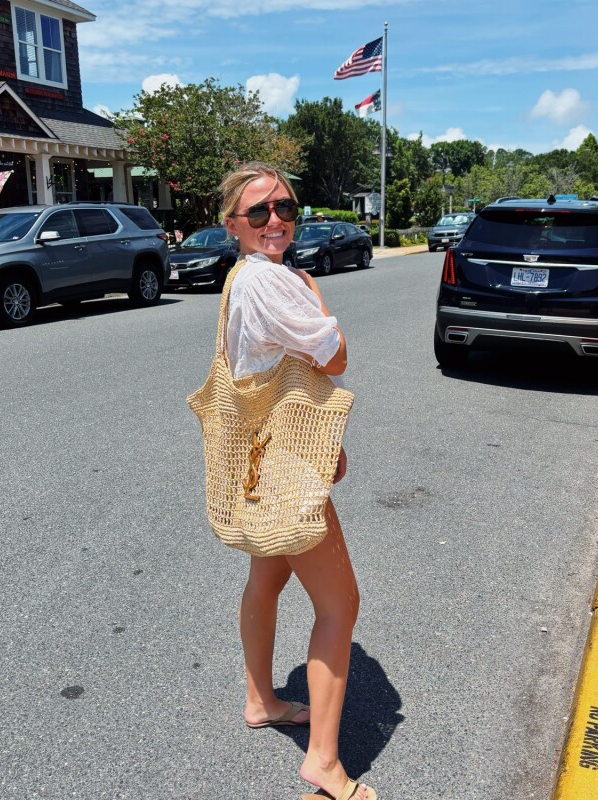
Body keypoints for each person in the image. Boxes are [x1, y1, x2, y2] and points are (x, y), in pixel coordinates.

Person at [216, 162, 376, 800]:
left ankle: (262, 698)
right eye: (258, 212)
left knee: (268, 577)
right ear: (232, 224)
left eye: (285, 207)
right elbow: (334, 355)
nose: (275, 220)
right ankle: (324, 762)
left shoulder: (241, 277)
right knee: (340, 605)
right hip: (286, 465)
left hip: (259, 457)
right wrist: (317, 297)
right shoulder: (273, 281)